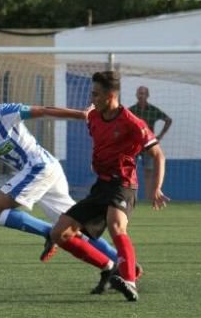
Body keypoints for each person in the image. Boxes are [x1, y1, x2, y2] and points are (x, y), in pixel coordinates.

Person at [0, 76, 121, 268]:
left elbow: (44, 110)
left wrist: (81, 114)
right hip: (44, 170)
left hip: (40, 167)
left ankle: (49, 232)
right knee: (77, 226)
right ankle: (121, 263)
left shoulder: (2, 112)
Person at [48, 71, 168, 302]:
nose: (91, 98)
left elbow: (158, 155)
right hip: (101, 186)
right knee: (59, 233)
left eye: (95, 94)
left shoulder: (132, 122)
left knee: (116, 226)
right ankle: (109, 265)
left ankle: (130, 282)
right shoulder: (93, 116)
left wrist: (156, 188)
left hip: (123, 184)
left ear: (111, 95)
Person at [130, 86, 172, 199]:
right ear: (136, 95)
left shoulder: (152, 110)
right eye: (139, 93)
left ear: (147, 95)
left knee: (148, 171)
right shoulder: (132, 110)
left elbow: (168, 120)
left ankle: (149, 198)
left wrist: (160, 136)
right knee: (129, 170)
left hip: (148, 145)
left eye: (143, 93)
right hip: (134, 144)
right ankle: (130, 196)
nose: (141, 95)